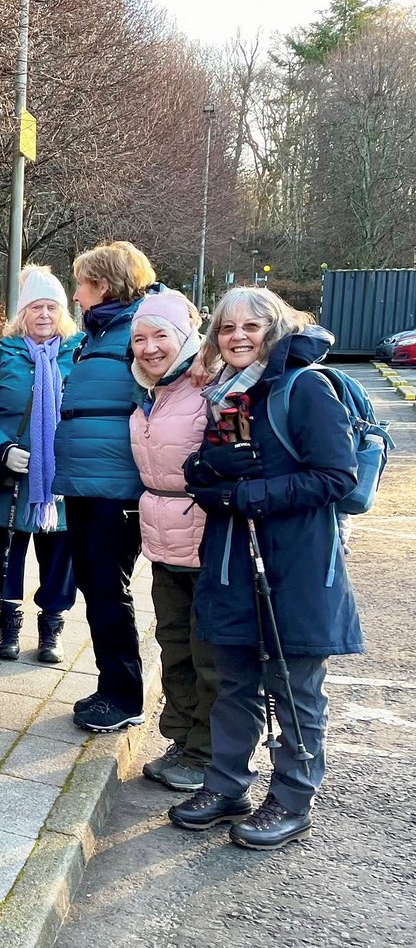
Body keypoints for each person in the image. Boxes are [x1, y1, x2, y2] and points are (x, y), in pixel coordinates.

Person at [169, 287, 361, 850]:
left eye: (250, 327)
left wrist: (249, 495)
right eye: (226, 328)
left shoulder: (306, 389)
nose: (236, 337)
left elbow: (337, 478)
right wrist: (206, 468)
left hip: (296, 565)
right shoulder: (229, 397)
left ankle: (293, 799)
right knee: (235, 682)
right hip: (233, 560)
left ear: (273, 330)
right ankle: (227, 785)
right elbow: (205, 482)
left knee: (294, 686)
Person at [54, 240, 160, 733]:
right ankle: (111, 686)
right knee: (95, 587)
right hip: (86, 484)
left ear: (106, 284)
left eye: (81, 283)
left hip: (115, 488)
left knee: (107, 589)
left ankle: (123, 695)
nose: (76, 294)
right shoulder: (99, 334)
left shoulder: (139, 330)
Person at [127, 289, 215, 793]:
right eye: (140, 338)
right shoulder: (151, 391)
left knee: (210, 656)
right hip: (163, 541)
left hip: (205, 539)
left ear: (184, 337)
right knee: (174, 646)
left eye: (161, 335)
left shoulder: (209, 386)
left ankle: (206, 755)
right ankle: (180, 741)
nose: (149, 346)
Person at [0, 266, 80, 664]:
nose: (44, 315)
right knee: (6, 553)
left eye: (52, 307)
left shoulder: (79, 355)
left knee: (59, 558)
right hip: (7, 478)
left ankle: (52, 625)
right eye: (36, 307)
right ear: (21, 313)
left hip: (61, 481)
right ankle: (7, 622)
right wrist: (0, 449)